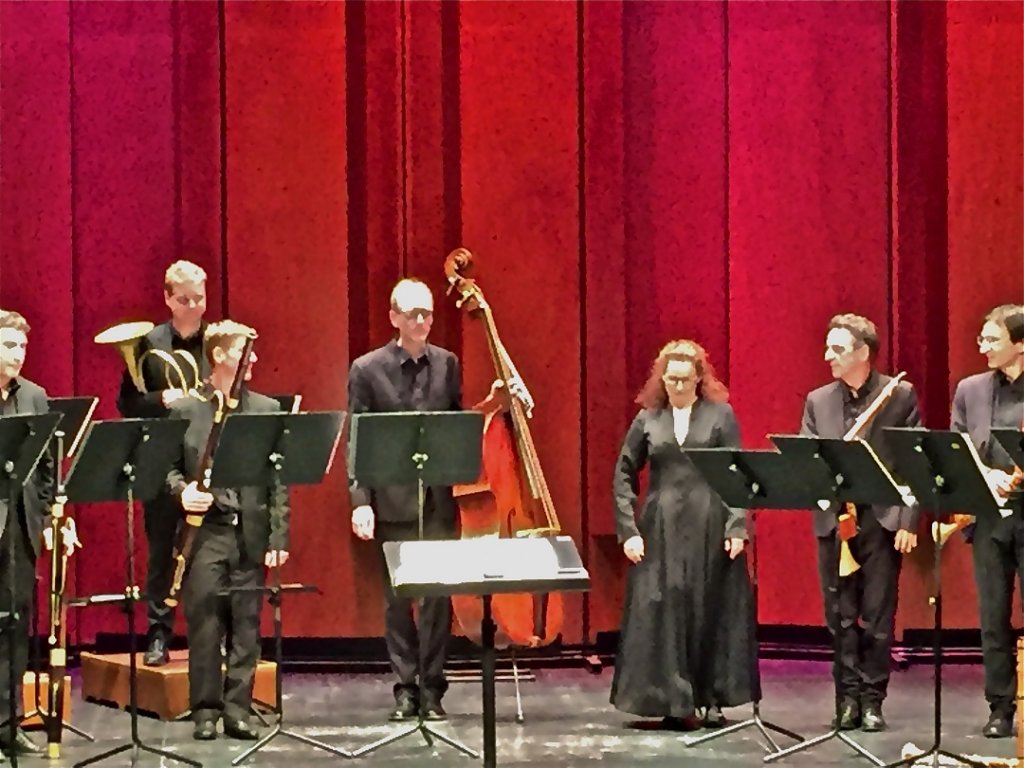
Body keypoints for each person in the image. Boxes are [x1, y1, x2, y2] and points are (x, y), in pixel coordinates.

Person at [610, 339, 758, 729]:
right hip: (660, 525)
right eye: (670, 379)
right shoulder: (647, 419)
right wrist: (628, 530)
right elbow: (624, 473)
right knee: (665, 609)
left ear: (698, 379)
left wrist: (738, 524)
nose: (676, 387)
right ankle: (673, 699)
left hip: (709, 521)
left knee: (709, 607)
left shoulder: (720, 416)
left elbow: (738, 475)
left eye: (684, 380)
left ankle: (710, 697)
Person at [166, 320, 289, 741]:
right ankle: (205, 709)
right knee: (204, 623)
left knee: (247, 625)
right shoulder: (185, 409)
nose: (253, 359)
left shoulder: (266, 410)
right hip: (205, 533)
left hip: (249, 530)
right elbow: (165, 469)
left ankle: (238, 709)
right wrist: (182, 493)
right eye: (244, 352)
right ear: (219, 356)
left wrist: (278, 538)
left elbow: (278, 482)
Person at [348, 278, 461, 722]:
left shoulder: (448, 364)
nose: (422, 322)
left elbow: (455, 425)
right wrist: (360, 500)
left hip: (436, 499)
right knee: (397, 600)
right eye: (413, 314)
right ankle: (405, 687)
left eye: (428, 314)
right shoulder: (367, 369)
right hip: (390, 500)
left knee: (437, 598)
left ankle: (432, 688)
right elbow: (358, 438)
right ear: (394, 317)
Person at [800, 313, 920, 732]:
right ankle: (845, 700)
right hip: (836, 523)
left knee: (878, 617)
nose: (827, 355)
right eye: (828, 347)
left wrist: (908, 519)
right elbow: (809, 460)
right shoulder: (818, 400)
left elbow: (913, 463)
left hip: (882, 520)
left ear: (863, 353)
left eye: (837, 348)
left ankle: (873, 701)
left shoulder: (899, 395)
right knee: (840, 617)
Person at [117, 259, 210, 666]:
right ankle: (158, 633)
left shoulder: (218, 341)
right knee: (160, 552)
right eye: (184, 299)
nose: (192, 307)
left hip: (206, 457)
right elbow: (127, 403)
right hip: (162, 462)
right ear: (168, 298)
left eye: (199, 299)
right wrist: (161, 400)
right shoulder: (149, 343)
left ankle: (211, 636)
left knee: (212, 553)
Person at [951, 303, 1024, 738]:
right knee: (993, 617)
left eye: (992, 340)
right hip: (990, 516)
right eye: (982, 339)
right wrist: (987, 474)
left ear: (1020, 344)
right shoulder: (971, 389)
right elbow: (960, 447)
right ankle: (1000, 708)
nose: (983, 348)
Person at [0, 309, 54, 759]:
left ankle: (9, 723)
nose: (18, 354)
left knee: (16, 627)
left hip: (20, 527)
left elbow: (47, 466)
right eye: (9, 345)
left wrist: (52, 515)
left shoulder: (35, 396)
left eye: (21, 346)